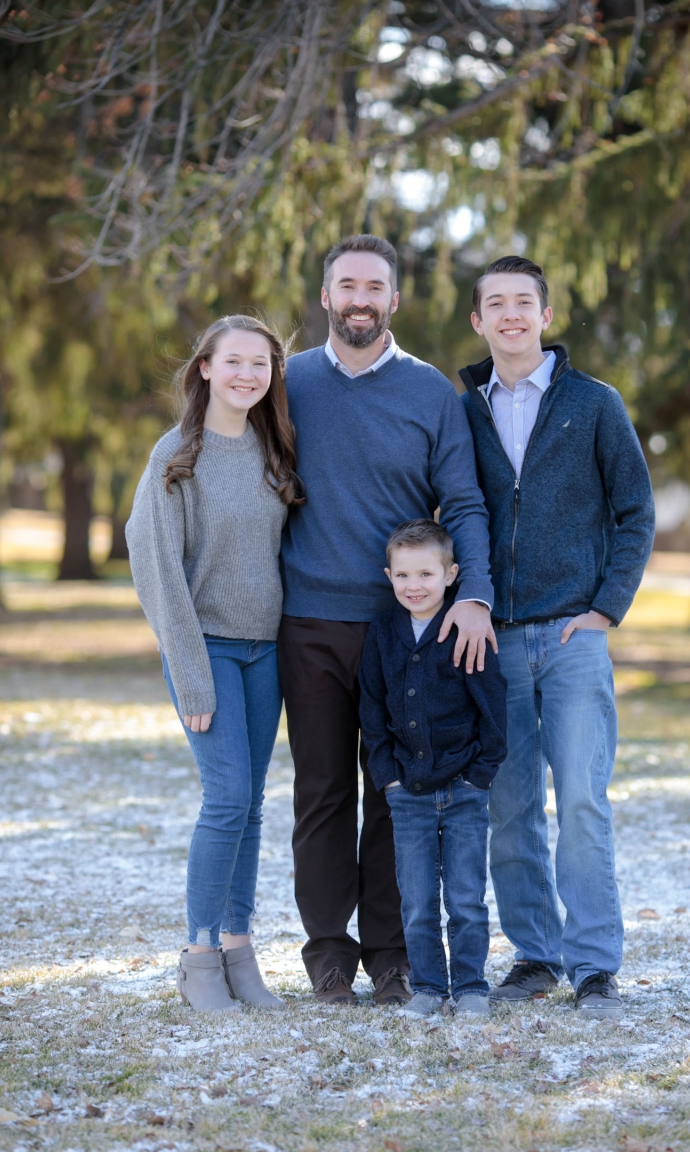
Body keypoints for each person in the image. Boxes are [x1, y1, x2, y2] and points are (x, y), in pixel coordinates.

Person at [278, 234, 496, 1005]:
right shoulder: (289, 380)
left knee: (396, 792)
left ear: (394, 300)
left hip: (404, 634)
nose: (360, 299)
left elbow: (463, 501)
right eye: (346, 285)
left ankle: (393, 953)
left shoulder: (431, 392)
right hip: (308, 622)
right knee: (325, 789)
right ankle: (329, 955)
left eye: (374, 286)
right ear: (327, 295)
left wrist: (474, 596)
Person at [459, 255, 655, 1017]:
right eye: (496, 304)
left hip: (574, 637)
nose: (511, 315)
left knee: (581, 801)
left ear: (545, 315)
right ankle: (536, 955)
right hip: (496, 640)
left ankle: (596, 964)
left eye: (524, 303)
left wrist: (606, 607)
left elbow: (635, 512)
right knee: (510, 807)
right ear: (477, 321)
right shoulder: (464, 410)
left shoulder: (594, 404)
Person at [126, 314, 304, 1013]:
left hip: (267, 650)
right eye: (233, 362)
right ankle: (198, 954)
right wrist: (192, 672)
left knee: (252, 804)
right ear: (205, 368)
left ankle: (238, 946)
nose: (247, 375)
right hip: (207, 651)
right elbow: (158, 572)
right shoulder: (176, 455)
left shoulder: (274, 448)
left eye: (260, 364)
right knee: (227, 797)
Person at [359, 520, 507, 1018]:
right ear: (389, 575)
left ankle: (470, 987)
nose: (414, 585)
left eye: (426, 572)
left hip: (465, 788)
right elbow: (372, 711)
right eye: (403, 575)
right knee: (418, 900)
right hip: (409, 794)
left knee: (466, 898)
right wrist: (389, 778)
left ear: (451, 574)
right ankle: (426, 987)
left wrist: (479, 774)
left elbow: (494, 707)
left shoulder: (464, 629)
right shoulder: (382, 633)